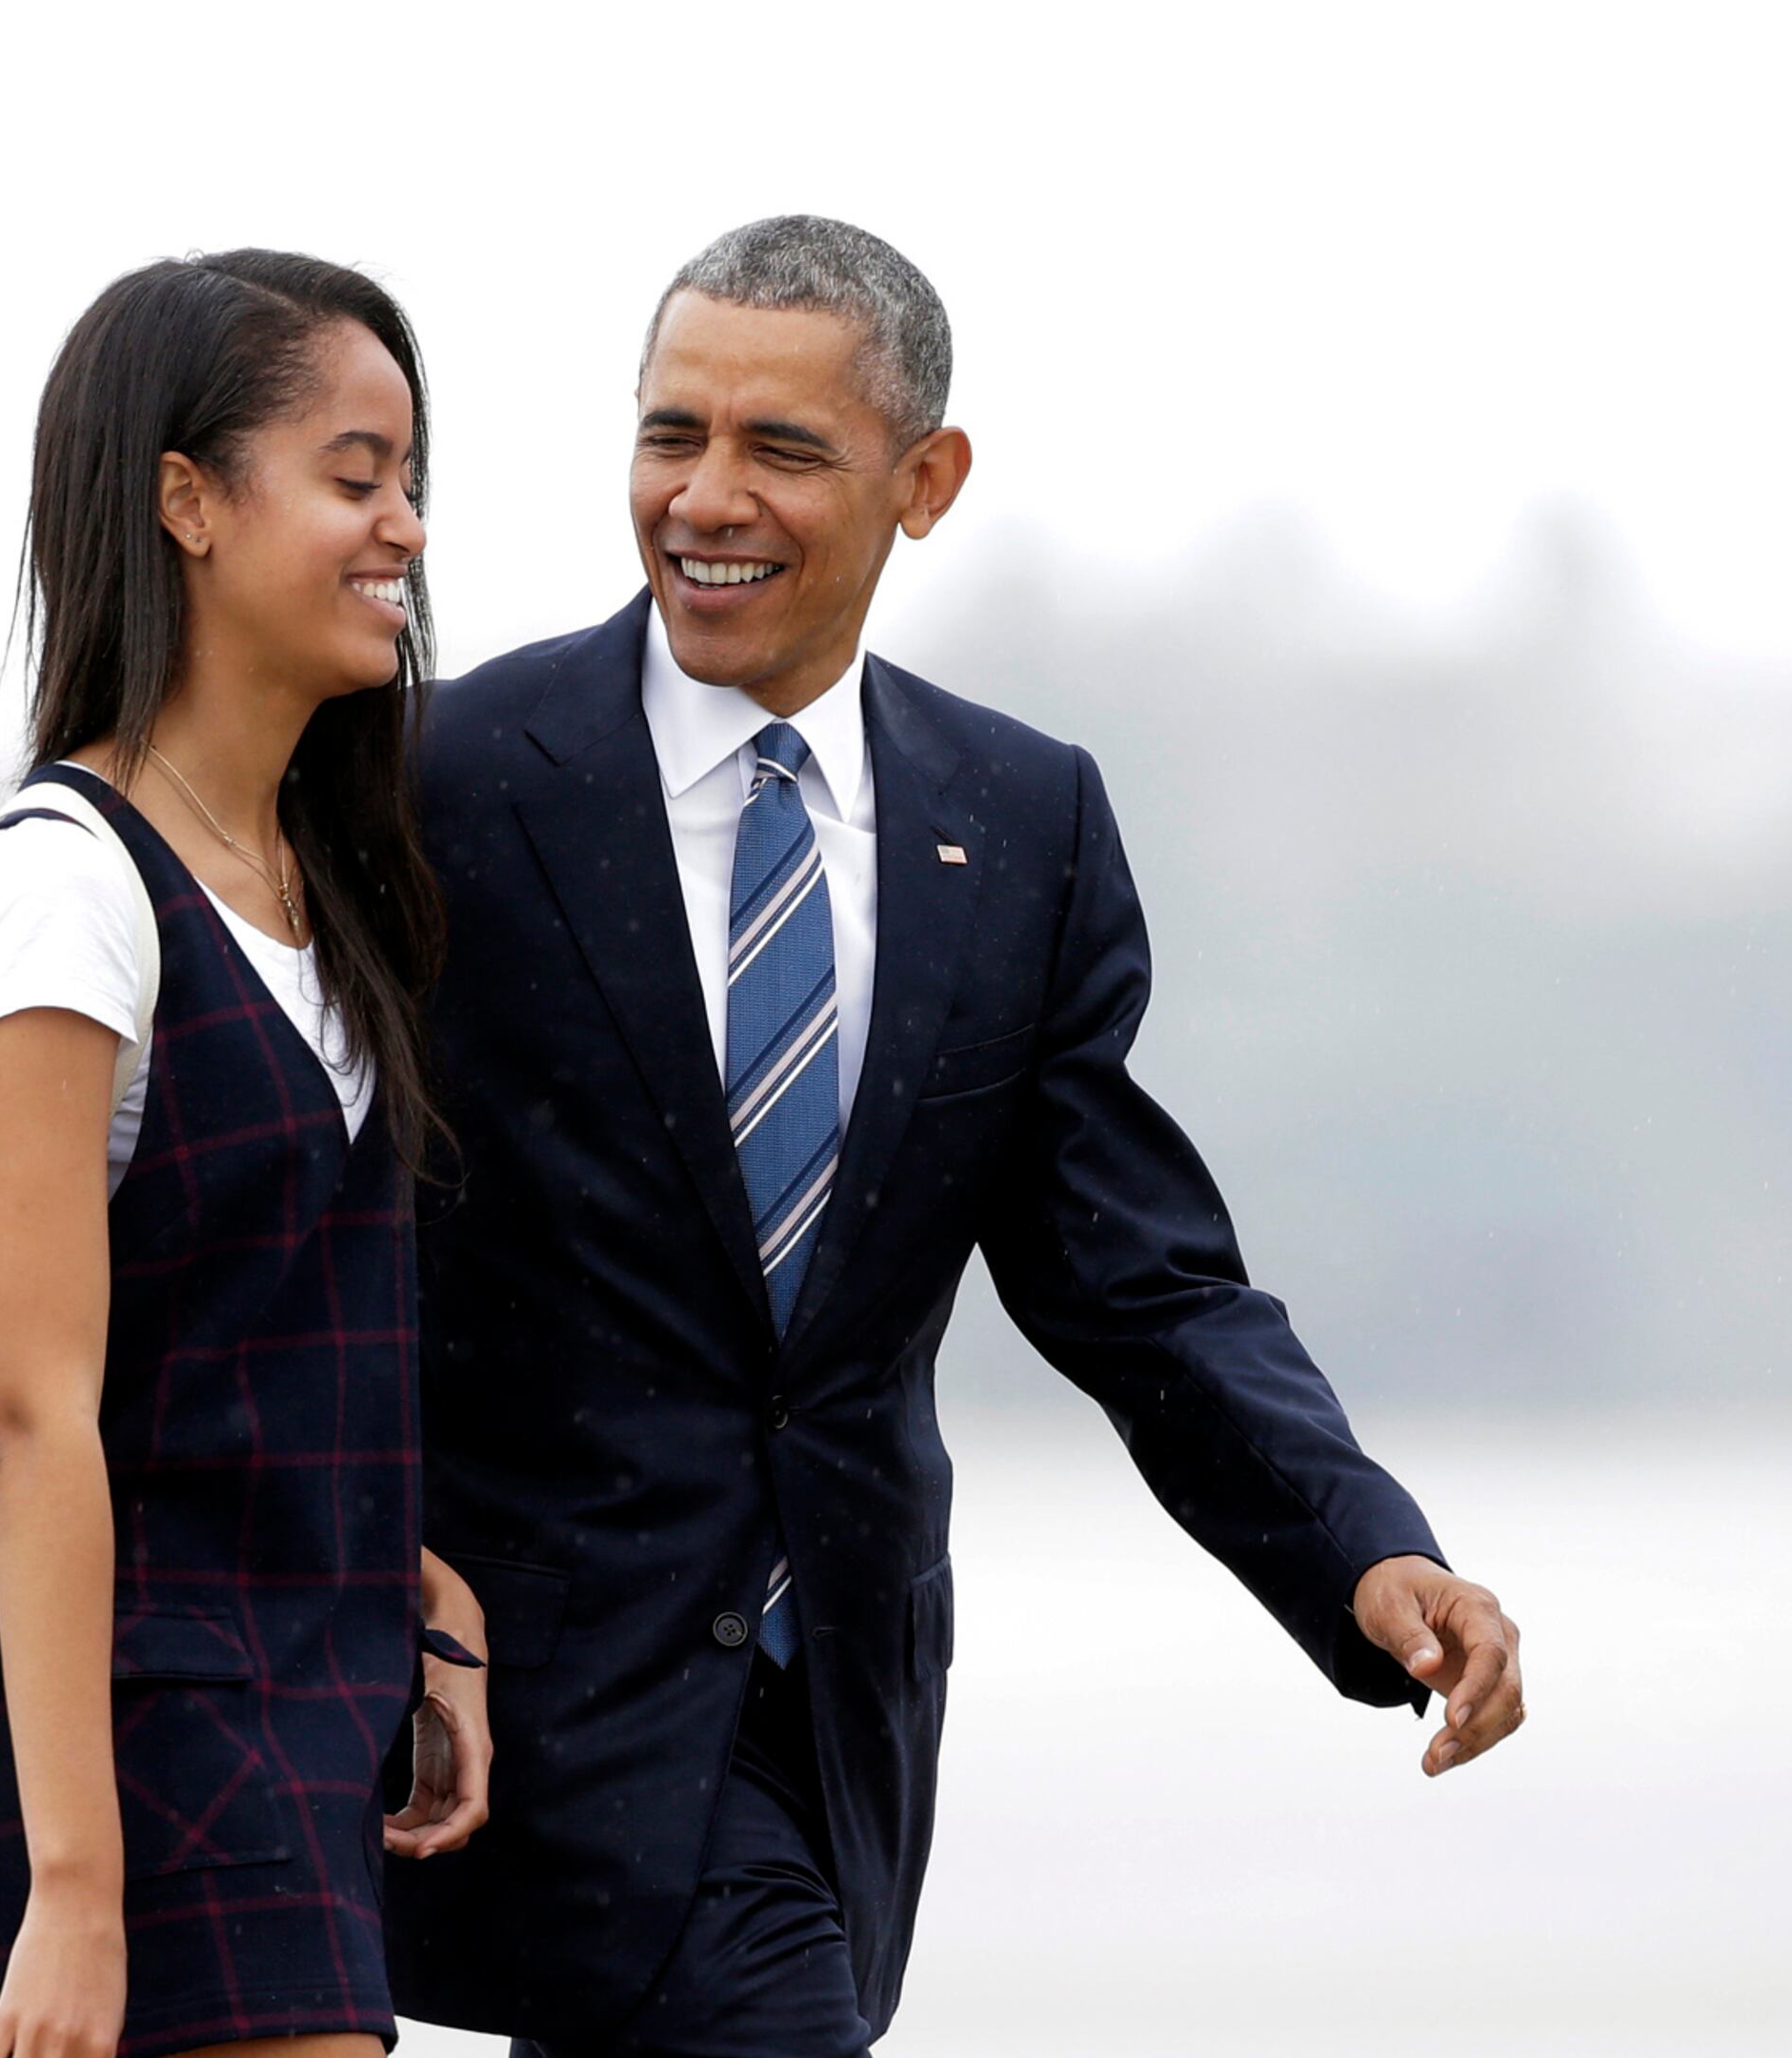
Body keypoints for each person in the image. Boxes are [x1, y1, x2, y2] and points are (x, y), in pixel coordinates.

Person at [384, 216, 1530, 2057]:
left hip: (830, 1703)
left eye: (782, 449)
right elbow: (313, 1216)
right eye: (672, 434)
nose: (705, 497)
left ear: (926, 481)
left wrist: (1359, 1547)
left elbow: (1135, 1279)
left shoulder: (1023, 818)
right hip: (519, 1696)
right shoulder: (435, 777)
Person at [0, 249, 495, 2058]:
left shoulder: (321, 883)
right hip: (105, 1747)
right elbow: (31, 1409)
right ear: (188, 503)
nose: (407, 531)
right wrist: (75, 1891)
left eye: (410, 481)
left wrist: (392, 1572)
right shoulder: (66, 887)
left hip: (283, 1703)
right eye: (355, 477)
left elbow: (249, 1337)